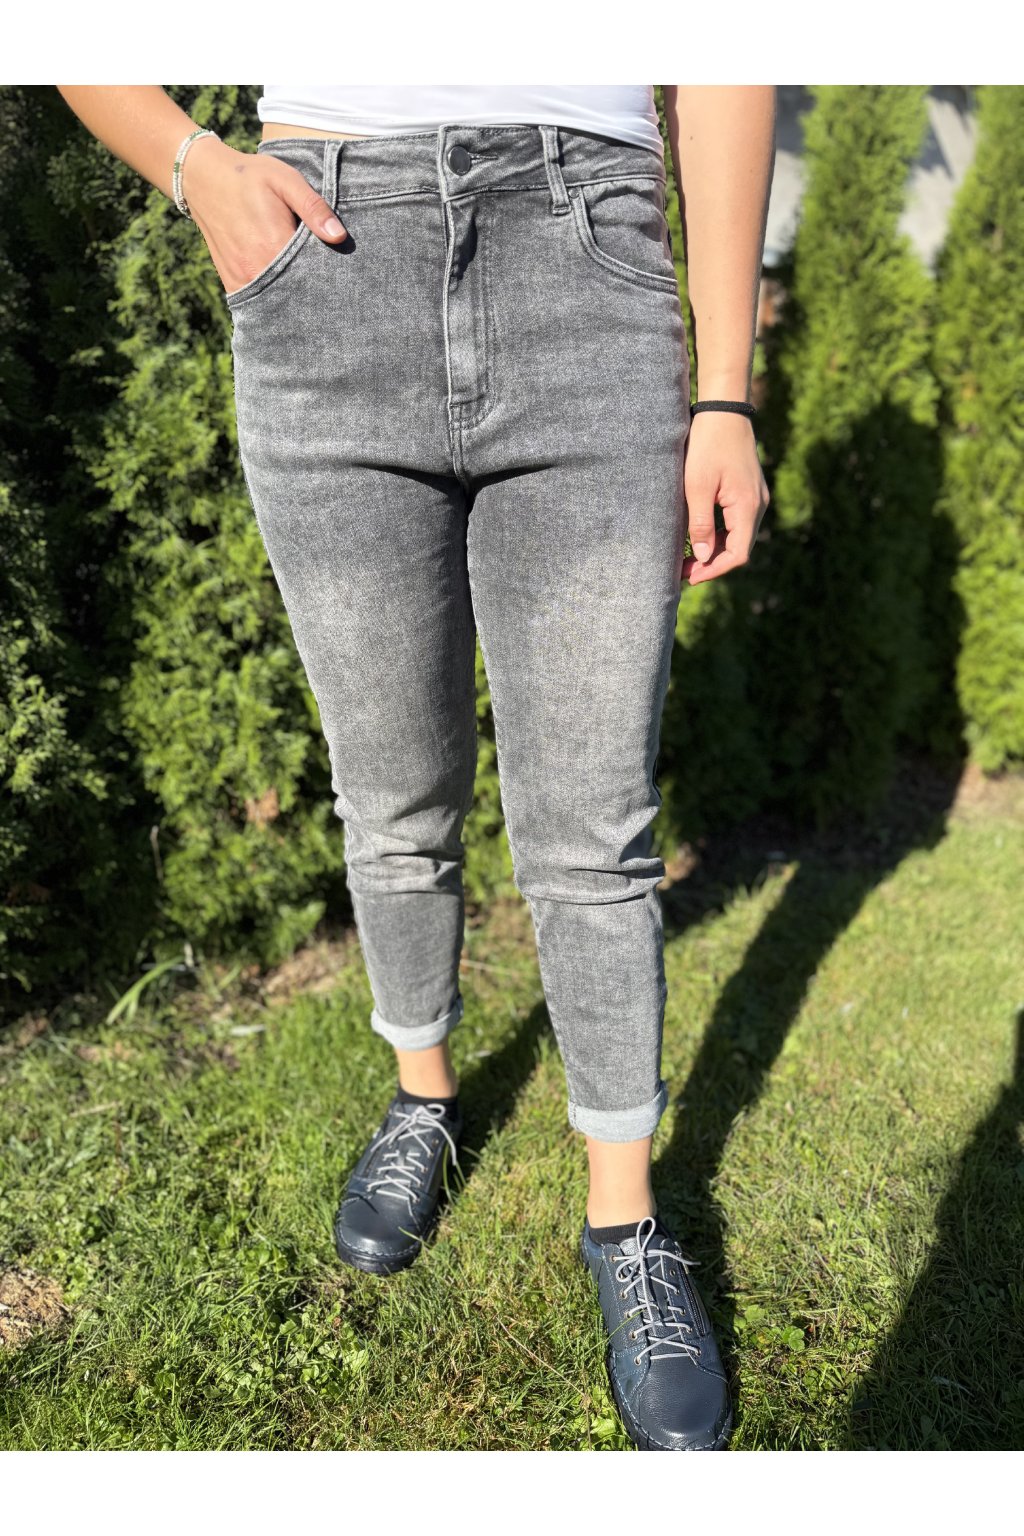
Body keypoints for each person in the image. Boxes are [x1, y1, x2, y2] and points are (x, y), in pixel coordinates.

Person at [56, 83, 775, 1452]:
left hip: (587, 265)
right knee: (392, 793)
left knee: (593, 829)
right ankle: (424, 1099)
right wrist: (196, 166)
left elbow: (728, 58)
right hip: (330, 266)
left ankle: (625, 1220)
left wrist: (726, 392)